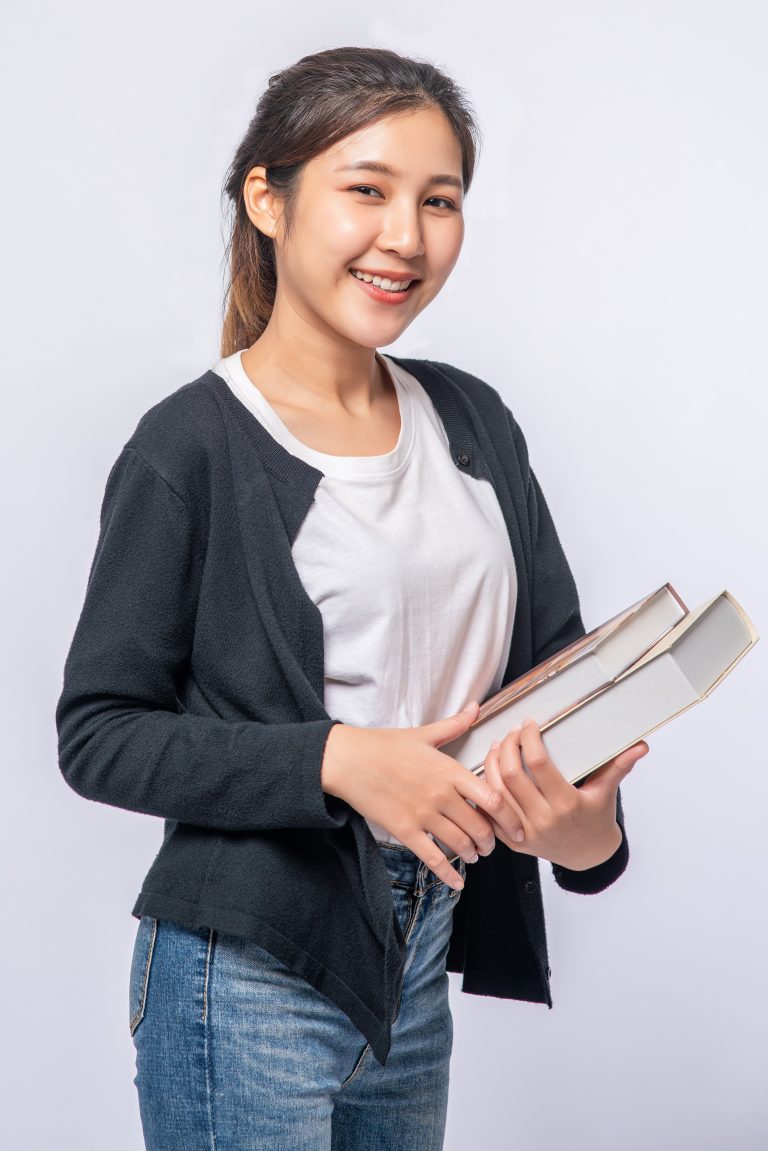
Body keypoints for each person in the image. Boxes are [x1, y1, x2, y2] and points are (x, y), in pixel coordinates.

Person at [55, 45, 648, 1151]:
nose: (407, 238)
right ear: (268, 199)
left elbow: (558, 671)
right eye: (365, 190)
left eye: (439, 200)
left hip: (415, 955)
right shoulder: (189, 447)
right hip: (246, 970)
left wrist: (586, 826)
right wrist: (337, 758)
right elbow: (98, 733)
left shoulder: (472, 421)